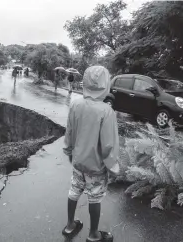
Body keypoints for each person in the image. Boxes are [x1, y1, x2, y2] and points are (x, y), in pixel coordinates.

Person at [63, 66, 119, 242]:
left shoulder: (76, 104)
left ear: (85, 81)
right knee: (94, 197)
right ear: (105, 84)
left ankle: (70, 225)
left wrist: (69, 151)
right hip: (96, 166)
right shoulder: (106, 111)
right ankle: (94, 235)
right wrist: (112, 166)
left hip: (78, 161)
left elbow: (69, 132)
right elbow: (108, 144)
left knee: (74, 190)